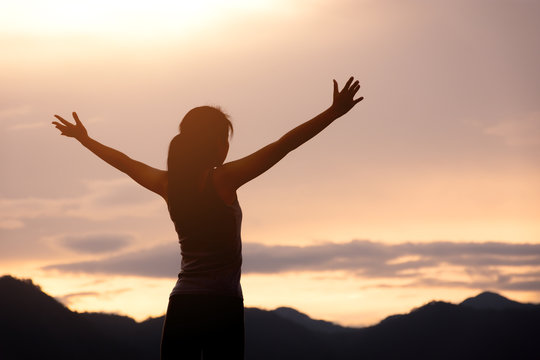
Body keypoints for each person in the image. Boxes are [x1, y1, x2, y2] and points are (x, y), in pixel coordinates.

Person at [52, 77, 363, 359]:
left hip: (182, 305)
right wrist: (332, 113)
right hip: (222, 305)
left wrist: (85, 140)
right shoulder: (223, 180)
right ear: (213, 145)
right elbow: (282, 146)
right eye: (224, 139)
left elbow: (126, 163)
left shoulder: (167, 184)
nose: (228, 146)